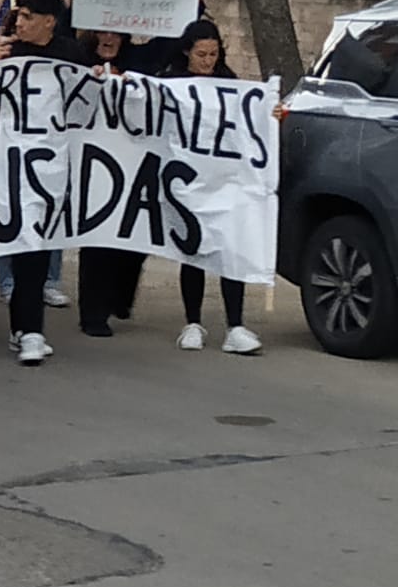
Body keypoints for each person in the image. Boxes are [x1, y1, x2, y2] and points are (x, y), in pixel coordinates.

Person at [0, 0, 86, 366]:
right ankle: (28, 330)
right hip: (10, 163)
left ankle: (26, 329)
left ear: (50, 21)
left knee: (37, 246)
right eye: (19, 15)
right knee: (24, 243)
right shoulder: (6, 52)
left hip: (52, 167)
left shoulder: (71, 55)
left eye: (28, 16)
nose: (21, 22)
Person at [162, 20, 263, 356]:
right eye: (201, 54)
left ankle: (235, 325)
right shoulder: (172, 82)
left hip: (224, 180)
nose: (207, 61)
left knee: (229, 251)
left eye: (214, 54)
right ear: (187, 53)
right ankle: (193, 322)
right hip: (189, 181)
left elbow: (248, 121)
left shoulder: (229, 83)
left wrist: (268, 114)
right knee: (194, 251)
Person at [75, 28, 148, 338]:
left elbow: (173, 45)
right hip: (91, 164)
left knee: (134, 238)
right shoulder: (77, 58)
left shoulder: (140, 62)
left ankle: (120, 297)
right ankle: (93, 314)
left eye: (115, 33)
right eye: (102, 32)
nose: (108, 39)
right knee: (97, 240)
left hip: (132, 163)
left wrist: (193, 2)